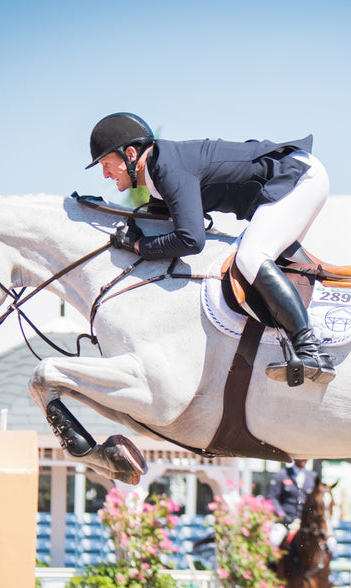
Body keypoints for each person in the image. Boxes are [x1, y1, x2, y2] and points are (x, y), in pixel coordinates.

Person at [86, 112, 334, 387]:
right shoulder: (159, 174)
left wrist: (136, 245)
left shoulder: (168, 169)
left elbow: (191, 240)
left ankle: (310, 350)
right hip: (292, 176)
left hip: (297, 176)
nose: (106, 174)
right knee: (260, 263)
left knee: (251, 257)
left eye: (107, 164)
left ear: (131, 154)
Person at [266, 459, 320, 547]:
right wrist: (282, 515)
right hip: (286, 522)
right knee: (274, 539)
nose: (303, 460)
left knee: (327, 543)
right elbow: (272, 498)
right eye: (300, 457)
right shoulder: (282, 475)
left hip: (306, 523)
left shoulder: (313, 477)